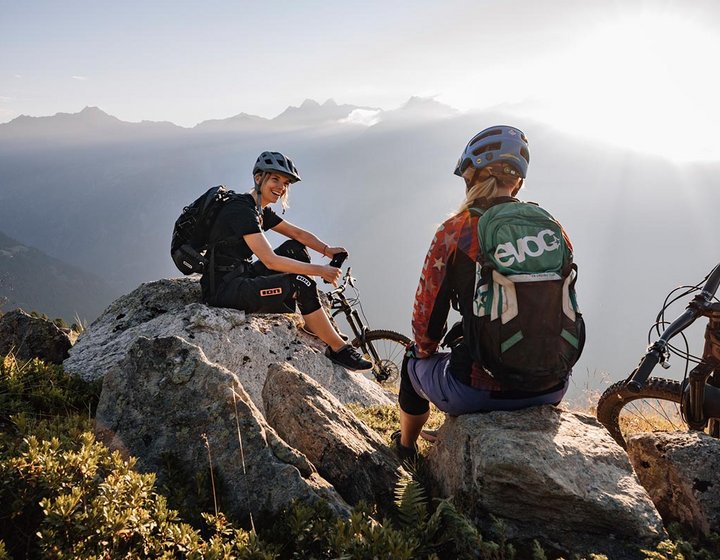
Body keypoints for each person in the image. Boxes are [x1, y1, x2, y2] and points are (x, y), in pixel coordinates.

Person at [394, 126, 577, 460]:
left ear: (469, 176)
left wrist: (424, 351)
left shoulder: (457, 230)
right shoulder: (552, 229)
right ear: (518, 182)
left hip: (478, 389)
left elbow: (426, 319)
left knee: (410, 361)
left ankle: (405, 449)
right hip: (552, 385)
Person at [201, 150, 372, 372]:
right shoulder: (240, 210)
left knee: (295, 249)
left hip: (241, 275)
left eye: (285, 183)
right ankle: (339, 350)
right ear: (258, 178)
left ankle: (316, 324)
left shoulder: (258, 209)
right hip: (224, 290)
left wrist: (327, 250)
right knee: (301, 282)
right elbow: (270, 260)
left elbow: (297, 235)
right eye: (275, 179)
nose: (281, 187)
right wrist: (320, 270)